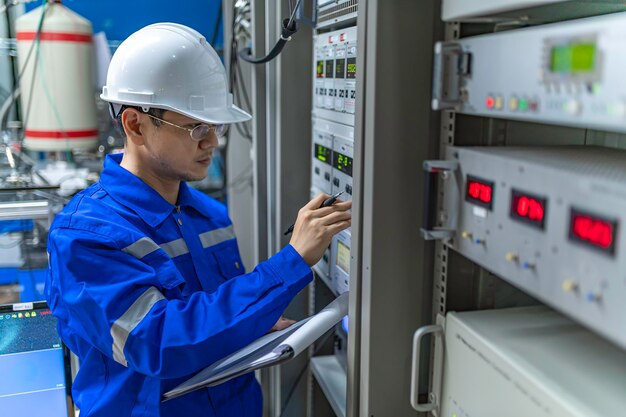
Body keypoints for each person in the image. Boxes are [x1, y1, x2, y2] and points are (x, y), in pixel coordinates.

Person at [45, 23, 351, 417]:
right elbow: (156, 342)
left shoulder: (209, 215)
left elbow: (211, 319)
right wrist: (290, 262)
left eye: (216, 126)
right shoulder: (84, 236)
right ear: (135, 124)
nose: (213, 142)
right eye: (196, 128)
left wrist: (250, 323)